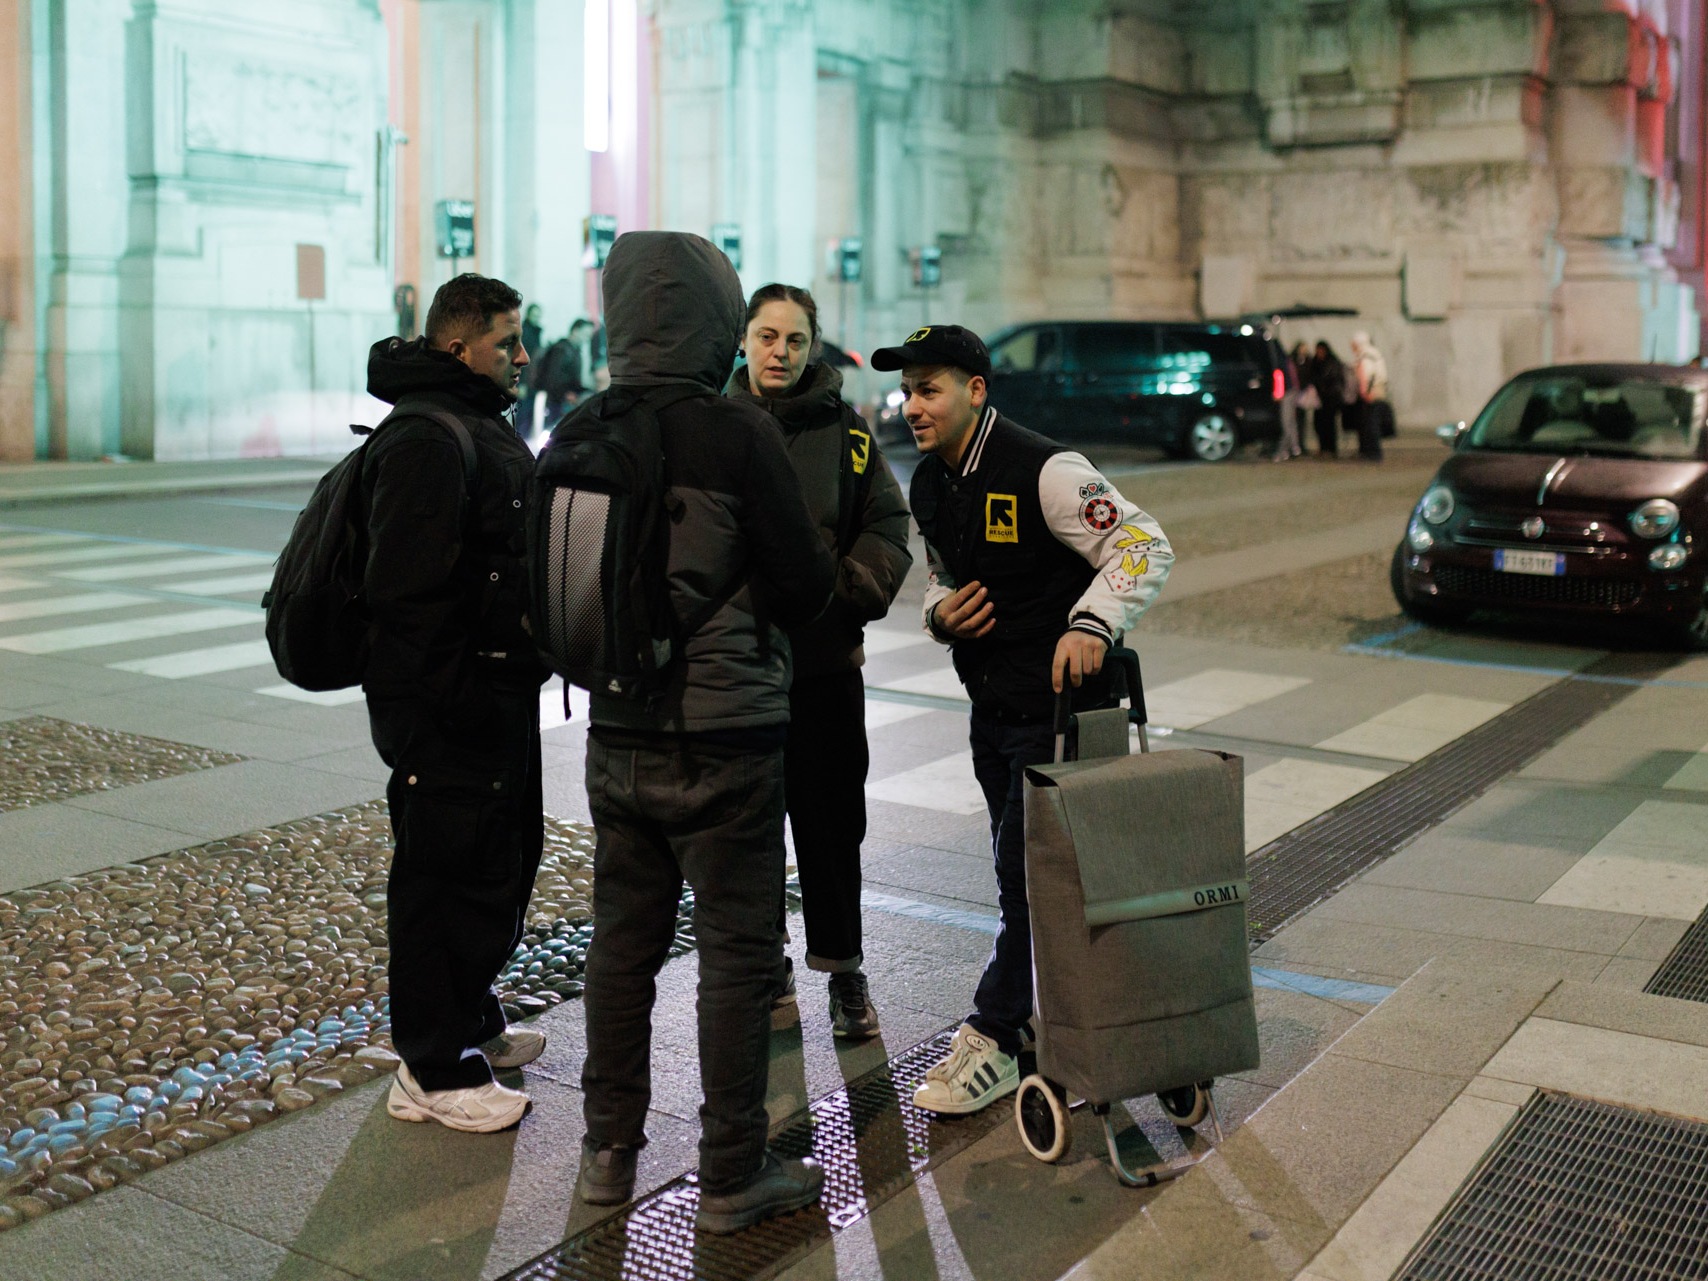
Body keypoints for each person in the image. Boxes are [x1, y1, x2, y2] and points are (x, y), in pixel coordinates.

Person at [577, 232, 838, 1233]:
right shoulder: (736, 435)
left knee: (619, 951)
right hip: (727, 737)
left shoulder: (583, 428)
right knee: (735, 957)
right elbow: (808, 588)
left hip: (616, 733)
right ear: (713, 319)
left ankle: (608, 1156)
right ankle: (731, 1174)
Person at [877, 324, 1173, 1116]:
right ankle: (1092, 1024)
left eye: (929, 387)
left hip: (1064, 715)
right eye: (908, 389)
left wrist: (1091, 624)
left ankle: (997, 1034)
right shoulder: (932, 485)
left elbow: (1143, 542)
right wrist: (941, 615)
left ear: (977, 390)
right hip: (994, 708)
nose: (913, 404)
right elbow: (942, 577)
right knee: (1041, 880)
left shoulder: (1046, 469)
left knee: (1027, 879)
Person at [361, 274, 549, 1133]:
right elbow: (406, 602)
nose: (521, 355)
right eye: (507, 340)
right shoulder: (426, 438)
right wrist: (455, 710)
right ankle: (430, 1069)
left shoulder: (468, 422)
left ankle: (467, 1015)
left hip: (493, 698)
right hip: (451, 711)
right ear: (456, 347)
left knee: (493, 864)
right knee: (442, 877)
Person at [724, 283, 913, 1041]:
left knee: (833, 827)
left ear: (812, 346)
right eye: (768, 336)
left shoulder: (848, 430)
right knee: (749, 826)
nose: (781, 352)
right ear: (743, 340)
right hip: (737, 672)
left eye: (795, 339)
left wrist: (840, 600)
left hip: (826, 670)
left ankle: (844, 971)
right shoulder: (714, 423)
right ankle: (766, 971)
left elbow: (888, 523)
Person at [1350, 331, 1392, 459]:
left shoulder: (1366, 356)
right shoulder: (1375, 354)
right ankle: (1370, 451)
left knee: (1370, 425)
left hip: (1370, 393)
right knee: (1370, 424)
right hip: (1376, 391)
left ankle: (1372, 452)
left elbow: (1366, 375)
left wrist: (1365, 392)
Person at [1310, 340, 1346, 457]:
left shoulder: (1332, 362)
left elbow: (1334, 379)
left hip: (1331, 399)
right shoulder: (1315, 362)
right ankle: (1323, 447)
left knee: (1330, 424)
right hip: (1320, 399)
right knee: (1319, 424)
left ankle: (1331, 449)